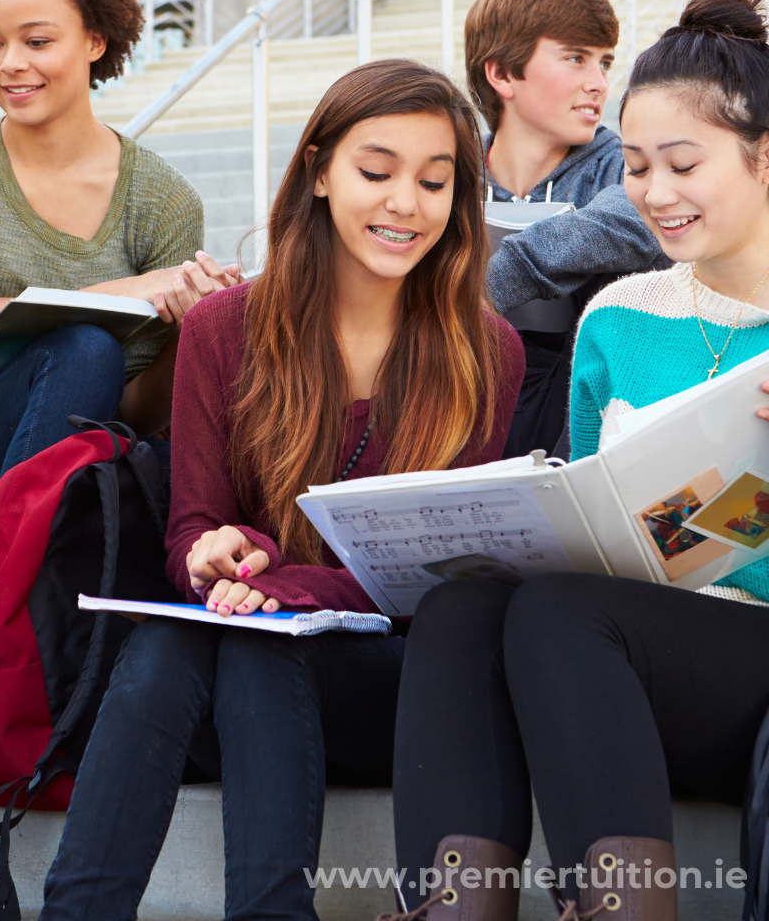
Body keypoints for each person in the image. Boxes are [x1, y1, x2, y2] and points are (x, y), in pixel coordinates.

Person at [35, 59, 524, 921]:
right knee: (178, 642)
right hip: (234, 680)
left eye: (435, 181)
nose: (405, 203)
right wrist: (208, 553)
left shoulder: (486, 351)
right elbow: (192, 524)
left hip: (392, 689)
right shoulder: (226, 329)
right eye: (377, 172)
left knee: (251, 638)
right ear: (321, 173)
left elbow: (435, 580)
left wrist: (285, 586)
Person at [388, 0, 769, 921]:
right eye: (635, 167)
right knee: (464, 608)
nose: (654, 193)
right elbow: (606, 517)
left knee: (564, 615)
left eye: (683, 163)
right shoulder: (619, 315)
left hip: (748, 661)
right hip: (627, 660)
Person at [0, 0, 239, 530]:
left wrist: (191, 332)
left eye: (36, 41)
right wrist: (133, 291)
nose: (8, 65)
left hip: (72, 464)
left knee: (94, 362)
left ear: (94, 39)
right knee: (83, 345)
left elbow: (132, 411)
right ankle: (12, 577)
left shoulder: (163, 198)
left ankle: (26, 575)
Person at [466, 0, 666, 458]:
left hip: (576, 412)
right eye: (576, 59)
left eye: (604, 63)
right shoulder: (449, 172)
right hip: (459, 394)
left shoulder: (623, 165)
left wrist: (484, 285)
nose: (598, 83)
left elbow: (633, 218)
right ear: (502, 74)